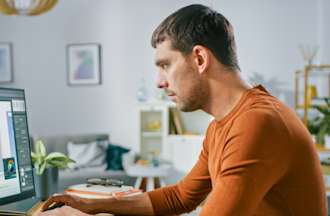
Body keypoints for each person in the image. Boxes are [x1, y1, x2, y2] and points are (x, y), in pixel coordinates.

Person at [41, 4, 327, 216]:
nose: (159, 82)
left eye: (165, 65)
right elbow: (180, 198)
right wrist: (93, 205)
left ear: (200, 58)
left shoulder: (257, 122)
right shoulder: (221, 125)